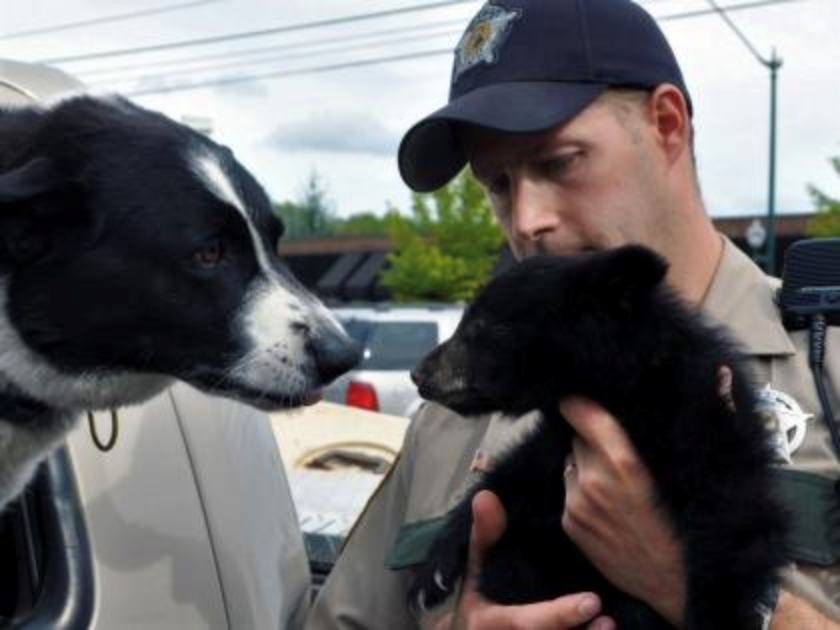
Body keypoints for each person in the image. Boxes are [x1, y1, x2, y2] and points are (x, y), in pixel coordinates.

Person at [305, 0, 840, 627]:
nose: (527, 221)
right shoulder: (449, 425)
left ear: (667, 124)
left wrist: (704, 589)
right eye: (498, 185)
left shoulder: (824, 368)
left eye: (559, 162)